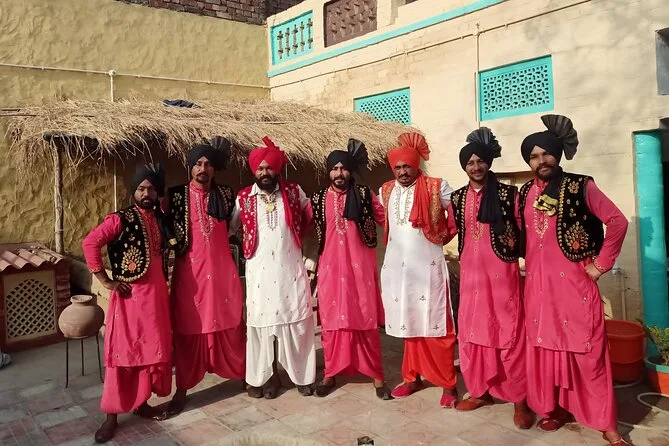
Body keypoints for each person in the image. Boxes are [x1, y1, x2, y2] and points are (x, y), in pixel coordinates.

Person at [519, 115, 629, 445]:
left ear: (557, 155)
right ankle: (556, 410)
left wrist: (600, 264)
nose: (541, 161)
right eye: (534, 156)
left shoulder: (582, 186)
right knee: (547, 351)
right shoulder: (524, 193)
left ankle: (606, 423)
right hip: (538, 288)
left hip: (574, 286)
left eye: (546, 154)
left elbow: (617, 221)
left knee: (587, 352)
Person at [445, 128, 534, 428]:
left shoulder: (510, 195)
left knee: (509, 334)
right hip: (471, 278)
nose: (476, 167)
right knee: (472, 335)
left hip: (502, 277)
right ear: (464, 166)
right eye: (470, 163)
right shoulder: (457, 198)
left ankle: (519, 399)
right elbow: (447, 231)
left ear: (488, 163)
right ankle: (480, 391)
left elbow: (526, 231)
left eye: (480, 161)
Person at [82, 164, 174, 443]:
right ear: (134, 191)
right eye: (141, 189)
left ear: (158, 193)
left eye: (152, 189)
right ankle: (111, 416)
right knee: (123, 353)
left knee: (148, 351)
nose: (146, 194)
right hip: (129, 299)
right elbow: (90, 243)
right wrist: (105, 281)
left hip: (156, 298)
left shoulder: (160, 219)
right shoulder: (119, 219)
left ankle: (142, 403)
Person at [230, 136, 315, 399]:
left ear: (277, 169)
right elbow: (231, 228)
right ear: (253, 171)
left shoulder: (294, 192)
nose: (265, 173)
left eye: (269, 168)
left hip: (290, 269)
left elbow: (312, 220)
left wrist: (311, 257)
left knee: (295, 321)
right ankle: (267, 377)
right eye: (260, 169)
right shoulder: (244, 198)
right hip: (260, 273)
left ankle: (301, 377)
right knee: (263, 323)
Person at [166, 137, 245, 415]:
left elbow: (239, 226)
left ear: (214, 168)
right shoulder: (175, 197)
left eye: (208, 164)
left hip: (222, 273)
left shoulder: (226, 194)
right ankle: (182, 389)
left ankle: (244, 375)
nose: (203, 169)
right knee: (189, 329)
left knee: (230, 324)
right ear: (190, 167)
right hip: (191, 276)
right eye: (198, 163)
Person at [379, 132, 458, 407]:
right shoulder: (385, 190)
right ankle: (412, 378)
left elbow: (458, 211)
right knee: (408, 323)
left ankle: (448, 384)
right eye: (398, 167)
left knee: (437, 325)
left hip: (429, 268)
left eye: (407, 166)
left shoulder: (437, 187)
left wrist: (444, 235)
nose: (402, 172)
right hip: (398, 270)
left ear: (416, 166)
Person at [311, 139, 391, 399]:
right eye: (334, 168)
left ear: (350, 171)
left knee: (365, 317)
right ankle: (330, 373)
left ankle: (377, 376)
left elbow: (388, 220)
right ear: (329, 172)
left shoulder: (365, 195)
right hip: (331, 269)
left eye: (343, 168)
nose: (339, 173)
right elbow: (298, 225)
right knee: (332, 321)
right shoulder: (317, 199)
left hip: (360, 270)